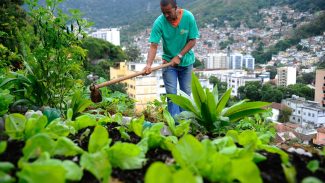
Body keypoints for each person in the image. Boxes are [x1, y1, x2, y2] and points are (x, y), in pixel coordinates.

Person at [143, 0, 199, 117]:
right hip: (168, 64)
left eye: (168, 12)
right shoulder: (159, 22)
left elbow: (192, 40)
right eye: (164, 13)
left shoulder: (188, 17)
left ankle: (186, 123)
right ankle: (175, 125)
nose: (166, 15)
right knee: (172, 95)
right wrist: (148, 65)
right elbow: (154, 45)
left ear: (176, 8)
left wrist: (179, 56)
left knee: (185, 95)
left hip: (186, 63)